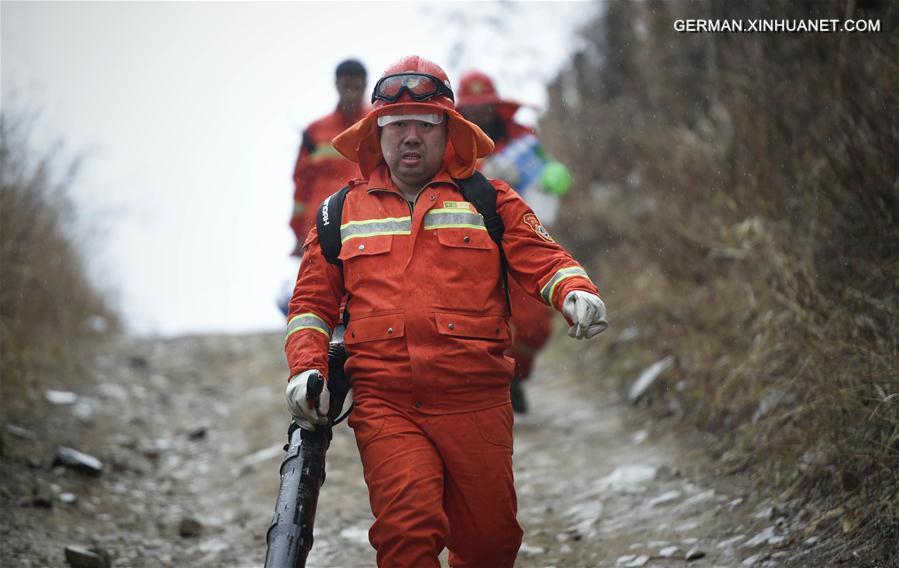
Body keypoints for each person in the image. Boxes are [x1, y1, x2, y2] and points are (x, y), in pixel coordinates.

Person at [283, 55, 607, 568]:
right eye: (397, 124)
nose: (411, 136)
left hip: (476, 403)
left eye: (426, 123)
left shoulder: (490, 201)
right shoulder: (338, 212)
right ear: (376, 133)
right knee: (406, 538)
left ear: (450, 131)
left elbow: (545, 258)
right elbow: (310, 307)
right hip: (387, 404)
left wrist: (573, 290)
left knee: (490, 544)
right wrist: (306, 369)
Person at [456, 69, 573, 414]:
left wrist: (555, 177)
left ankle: (515, 377)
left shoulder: (523, 138)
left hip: (521, 241)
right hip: (469, 247)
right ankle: (492, 389)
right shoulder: (450, 143)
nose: (478, 114)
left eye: (484, 106)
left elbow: (548, 171)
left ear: (495, 105)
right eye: (471, 108)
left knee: (535, 326)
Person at [289, 59, 369, 254]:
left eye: (356, 86)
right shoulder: (315, 132)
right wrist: (298, 232)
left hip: (366, 225)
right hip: (319, 229)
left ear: (365, 86)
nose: (351, 92)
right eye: (346, 86)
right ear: (336, 85)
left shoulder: (378, 126)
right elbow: (302, 183)